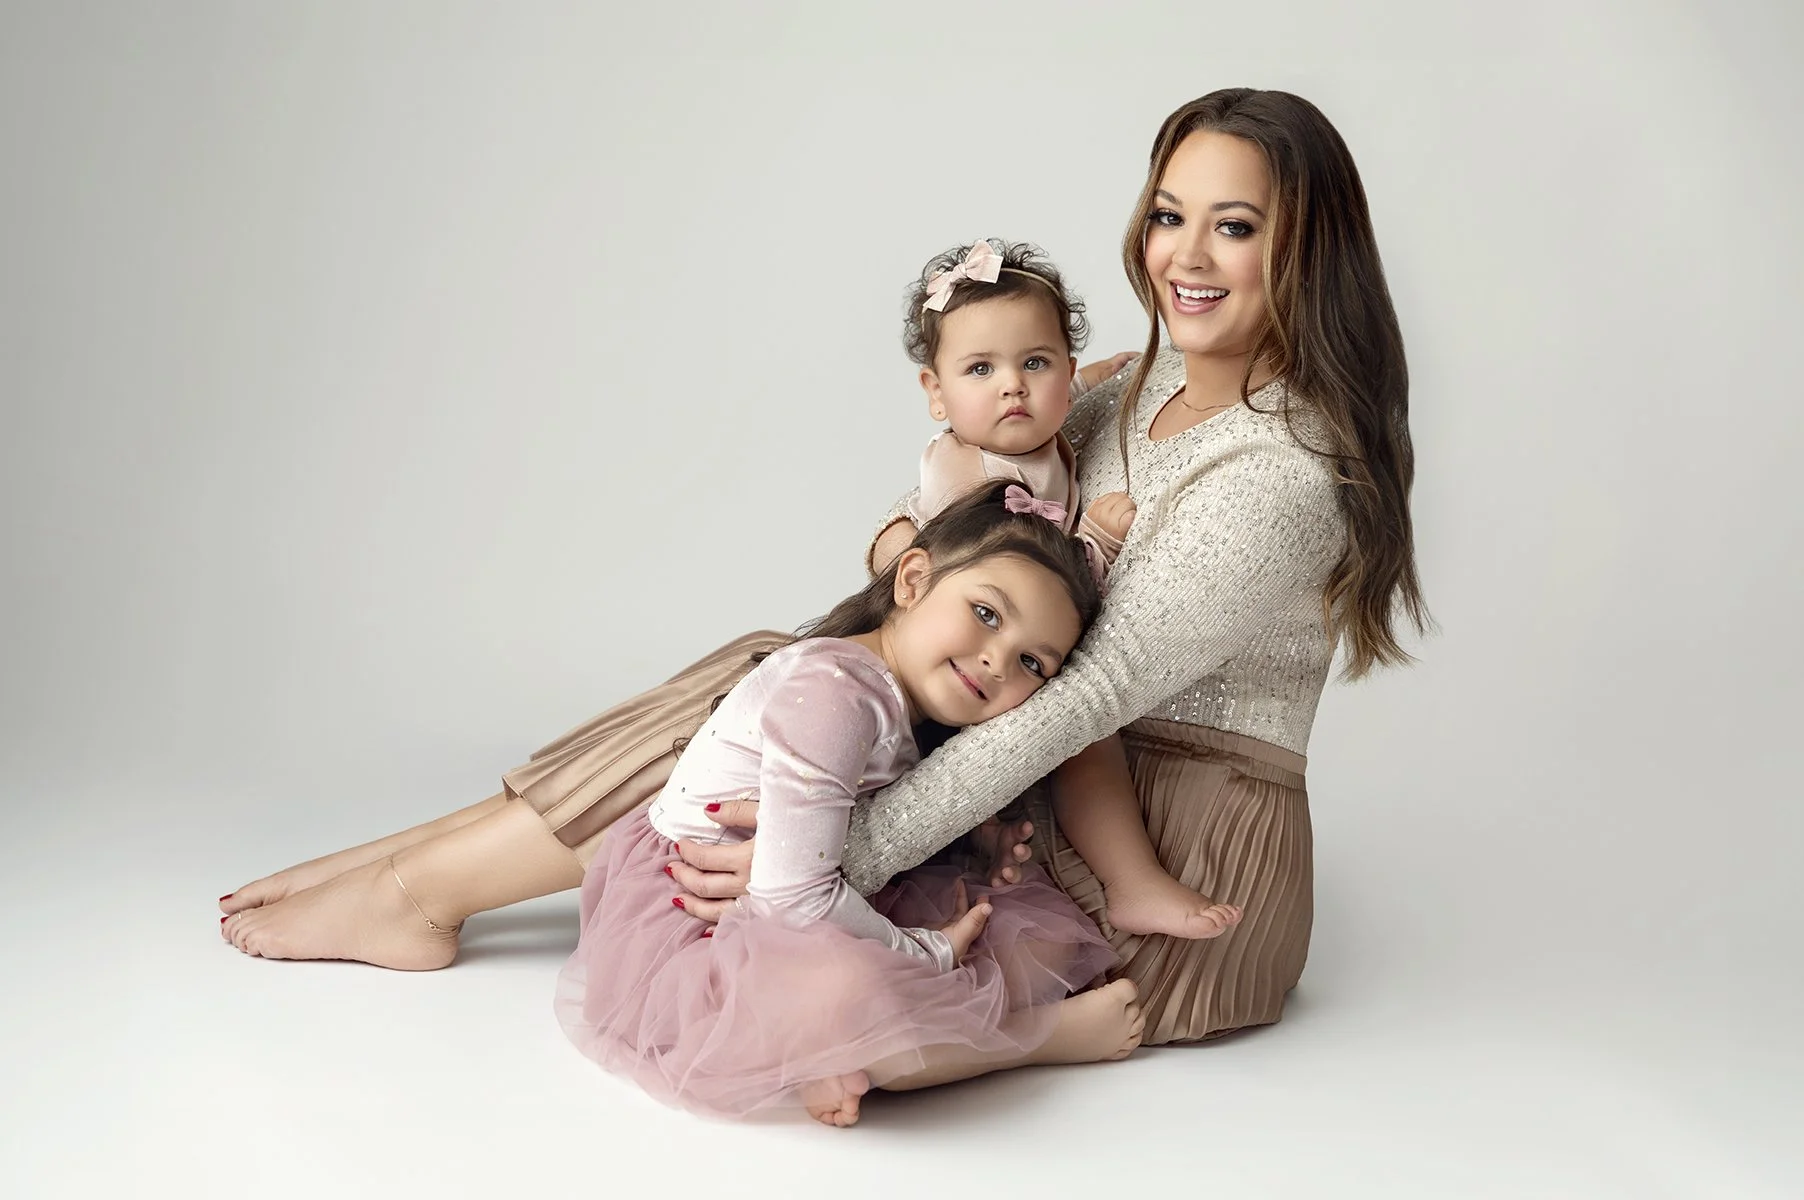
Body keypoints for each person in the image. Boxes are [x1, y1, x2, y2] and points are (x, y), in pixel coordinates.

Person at [221, 87, 1426, 1050]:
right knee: (782, 669)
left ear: (1303, 247)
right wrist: (898, 553)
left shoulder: (1277, 478)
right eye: (1169, 214)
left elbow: (1077, 703)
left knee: (794, 708)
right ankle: (413, 869)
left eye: (1236, 224)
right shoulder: (1127, 383)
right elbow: (956, 523)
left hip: (1170, 845)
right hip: (1036, 749)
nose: (1185, 254)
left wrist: (824, 857)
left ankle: (422, 888)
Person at [558, 483, 1133, 1128]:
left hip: (796, 890)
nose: (998, 660)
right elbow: (792, 899)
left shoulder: (897, 693)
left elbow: (861, 818)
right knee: (855, 995)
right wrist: (926, 951)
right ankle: (1032, 1040)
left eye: (1032, 661)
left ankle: (835, 1050)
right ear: (913, 580)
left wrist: (976, 845)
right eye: (987, 614)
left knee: (1037, 941)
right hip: (709, 917)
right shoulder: (835, 692)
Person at [878, 235, 1244, 941]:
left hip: (994, 645)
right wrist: (1096, 544)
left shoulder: (1022, 426)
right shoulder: (972, 480)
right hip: (954, 651)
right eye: (979, 368)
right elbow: (1021, 574)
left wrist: (1097, 380)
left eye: (1035, 363)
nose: (1012, 385)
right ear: (936, 392)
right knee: (1077, 737)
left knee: (1067, 733)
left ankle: (1011, 843)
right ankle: (1127, 877)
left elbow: (1047, 396)